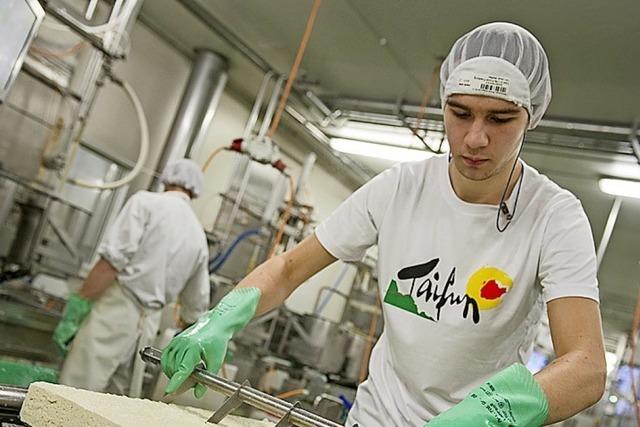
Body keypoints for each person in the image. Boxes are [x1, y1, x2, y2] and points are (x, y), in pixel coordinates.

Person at [160, 22, 606, 426]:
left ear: (531, 116)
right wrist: (219, 319)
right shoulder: (399, 188)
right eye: (460, 113)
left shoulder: (554, 216)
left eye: (500, 118)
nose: (475, 138)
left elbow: (586, 366)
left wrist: (493, 414)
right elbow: (290, 268)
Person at [54, 158, 210, 397]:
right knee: (120, 401)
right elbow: (195, 309)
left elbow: (110, 264)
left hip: (115, 312)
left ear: (166, 179)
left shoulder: (145, 203)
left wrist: (80, 304)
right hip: (148, 328)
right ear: (195, 192)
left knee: (75, 393)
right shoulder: (198, 235)